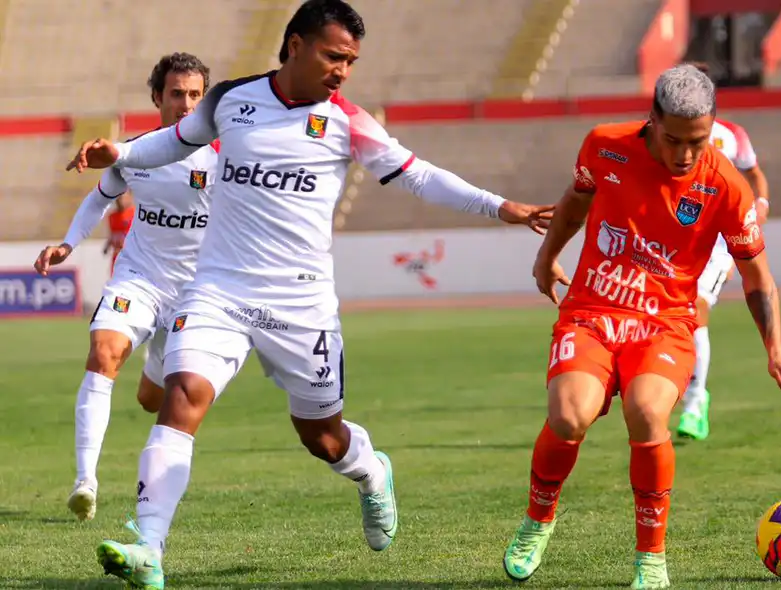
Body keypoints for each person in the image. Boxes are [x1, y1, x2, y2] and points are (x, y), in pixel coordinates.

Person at [65, 2, 553, 588]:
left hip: (302, 308)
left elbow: (419, 174)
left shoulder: (348, 121)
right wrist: (118, 154)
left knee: (321, 437)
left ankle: (372, 472)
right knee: (183, 394)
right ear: (295, 45)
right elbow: (171, 143)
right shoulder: (230, 100)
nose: (343, 70)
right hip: (218, 290)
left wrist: (500, 206)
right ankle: (150, 545)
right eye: (333, 55)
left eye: (350, 60)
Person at [501, 64, 781, 589]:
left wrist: (774, 349)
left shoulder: (725, 186)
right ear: (652, 120)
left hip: (664, 324)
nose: (686, 154)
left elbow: (758, 277)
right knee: (570, 415)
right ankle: (538, 520)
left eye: (699, 140)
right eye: (674, 140)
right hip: (593, 310)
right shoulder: (604, 145)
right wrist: (545, 255)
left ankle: (651, 558)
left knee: (646, 412)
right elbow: (577, 200)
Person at [35, 52, 216, 523]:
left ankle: (148, 489)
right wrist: (67, 244)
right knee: (103, 353)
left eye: (195, 94)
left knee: (154, 400)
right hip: (139, 279)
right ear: (158, 97)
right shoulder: (136, 154)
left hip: (193, 295)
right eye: (176, 94)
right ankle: (85, 482)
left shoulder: (224, 157)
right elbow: (99, 199)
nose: (186, 103)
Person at [676, 61, 774, 441]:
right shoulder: (660, 132)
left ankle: (695, 401)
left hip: (717, 240)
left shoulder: (731, 135)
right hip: (668, 236)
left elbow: (753, 173)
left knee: (695, 308)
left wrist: (761, 203)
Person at [105, 192, 135, 275]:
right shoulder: (112, 216)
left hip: (131, 257)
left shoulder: (135, 214)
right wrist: (107, 246)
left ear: (130, 197)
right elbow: (113, 234)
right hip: (117, 255)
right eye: (118, 198)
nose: (120, 200)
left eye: (122, 197)